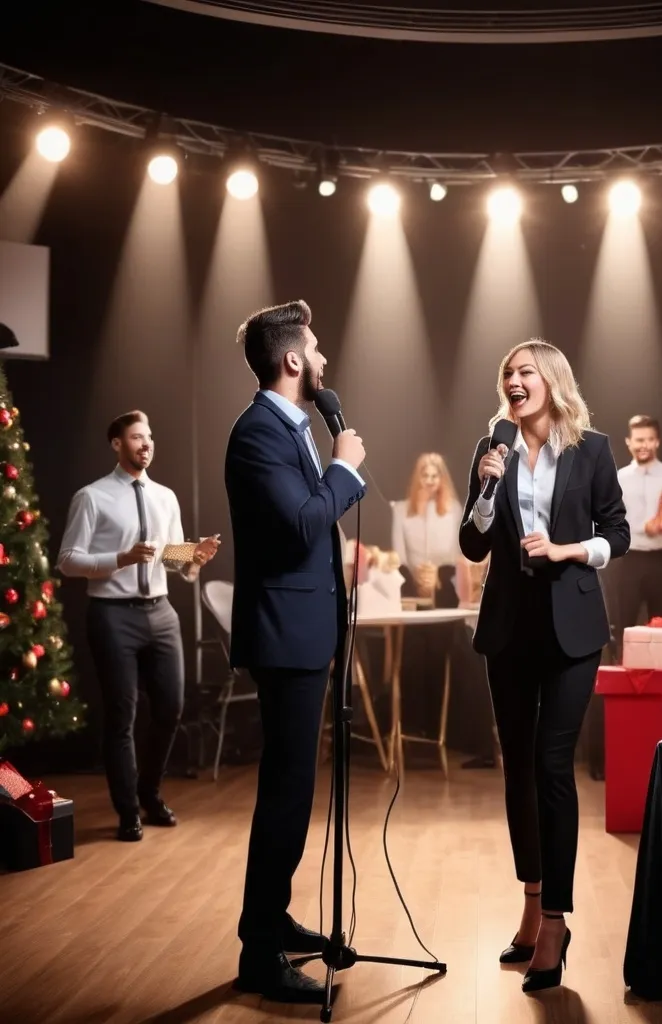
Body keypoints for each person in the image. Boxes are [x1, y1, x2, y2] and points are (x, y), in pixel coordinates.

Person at [459, 339, 629, 993]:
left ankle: (556, 920)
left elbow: (618, 531)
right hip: (508, 626)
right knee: (518, 770)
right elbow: (473, 542)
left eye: (524, 370)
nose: (512, 379)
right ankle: (530, 902)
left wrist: (567, 550)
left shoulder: (592, 448)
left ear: (552, 381)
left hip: (573, 627)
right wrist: (484, 488)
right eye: (507, 372)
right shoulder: (491, 450)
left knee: (554, 766)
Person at [225, 299, 366, 1004]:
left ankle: (271, 919)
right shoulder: (259, 434)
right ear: (291, 361)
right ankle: (258, 956)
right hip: (285, 636)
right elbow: (303, 525)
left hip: (307, 630)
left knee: (294, 792)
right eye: (316, 350)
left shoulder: (292, 427)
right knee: (285, 795)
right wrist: (344, 468)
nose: (323, 361)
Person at [57, 411, 220, 841]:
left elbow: (172, 560)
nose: (145, 444)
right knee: (122, 715)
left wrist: (194, 559)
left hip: (161, 613)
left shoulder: (165, 497)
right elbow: (68, 561)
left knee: (170, 708)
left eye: (149, 437)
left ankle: (149, 793)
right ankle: (127, 810)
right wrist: (121, 559)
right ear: (117, 444)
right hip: (113, 615)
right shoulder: (91, 497)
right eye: (136, 437)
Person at [614, 415, 662, 642]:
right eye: (639, 440)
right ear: (629, 442)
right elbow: (610, 521)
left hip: (660, 562)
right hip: (629, 561)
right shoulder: (617, 478)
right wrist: (645, 526)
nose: (643, 445)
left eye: (649, 440)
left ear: (657, 442)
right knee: (624, 623)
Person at [391, 452, 460, 604]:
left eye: (434, 476)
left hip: (445, 587)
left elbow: (457, 553)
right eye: (425, 475)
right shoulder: (401, 510)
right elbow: (399, 556)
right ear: (418, 477)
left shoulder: (454, 510)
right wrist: (418, 578)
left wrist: (437, 576)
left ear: (441, 479)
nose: (429, 481)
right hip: (410, 586)